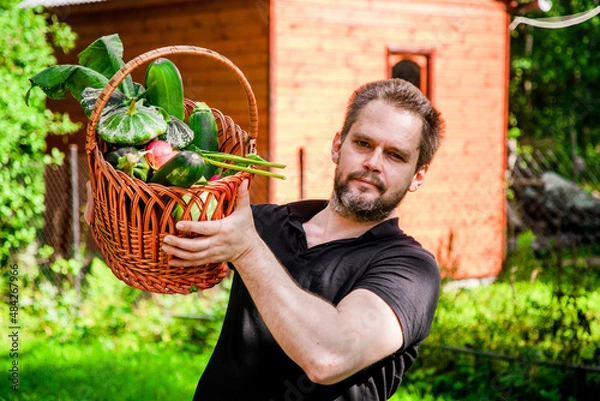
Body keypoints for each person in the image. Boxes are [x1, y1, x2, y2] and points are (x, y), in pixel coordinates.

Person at [87, 78, 444, 400]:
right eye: (363, 143)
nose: (373, 163)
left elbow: (330, 357)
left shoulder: (411, 269)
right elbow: (162, 243)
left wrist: (248, 251)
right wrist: (113, 202)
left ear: (418, 175)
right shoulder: (266, 223)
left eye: (395, 155)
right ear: (338, 146)